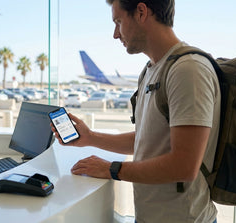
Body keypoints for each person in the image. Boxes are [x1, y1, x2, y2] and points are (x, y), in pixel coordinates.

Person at [51, 0, 220, 222]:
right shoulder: (151, 70)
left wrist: (112, 169)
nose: (115, 34)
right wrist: (91, 138)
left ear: (141, 12)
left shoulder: (188, 70)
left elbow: (184, 165)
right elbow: (149, 140)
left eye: (118, 21)